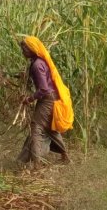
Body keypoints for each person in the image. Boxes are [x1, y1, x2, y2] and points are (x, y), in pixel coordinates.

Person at [17, 36, 73, 167]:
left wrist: (29, 99)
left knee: (36, 128)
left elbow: (43, 89)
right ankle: (65, 157)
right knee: (50, 128)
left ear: (32, 49)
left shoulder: (37, 65)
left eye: (25, 48)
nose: (23, 52)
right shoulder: (38, 62)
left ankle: (37, 164)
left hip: (47, 100)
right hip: (51, 99)